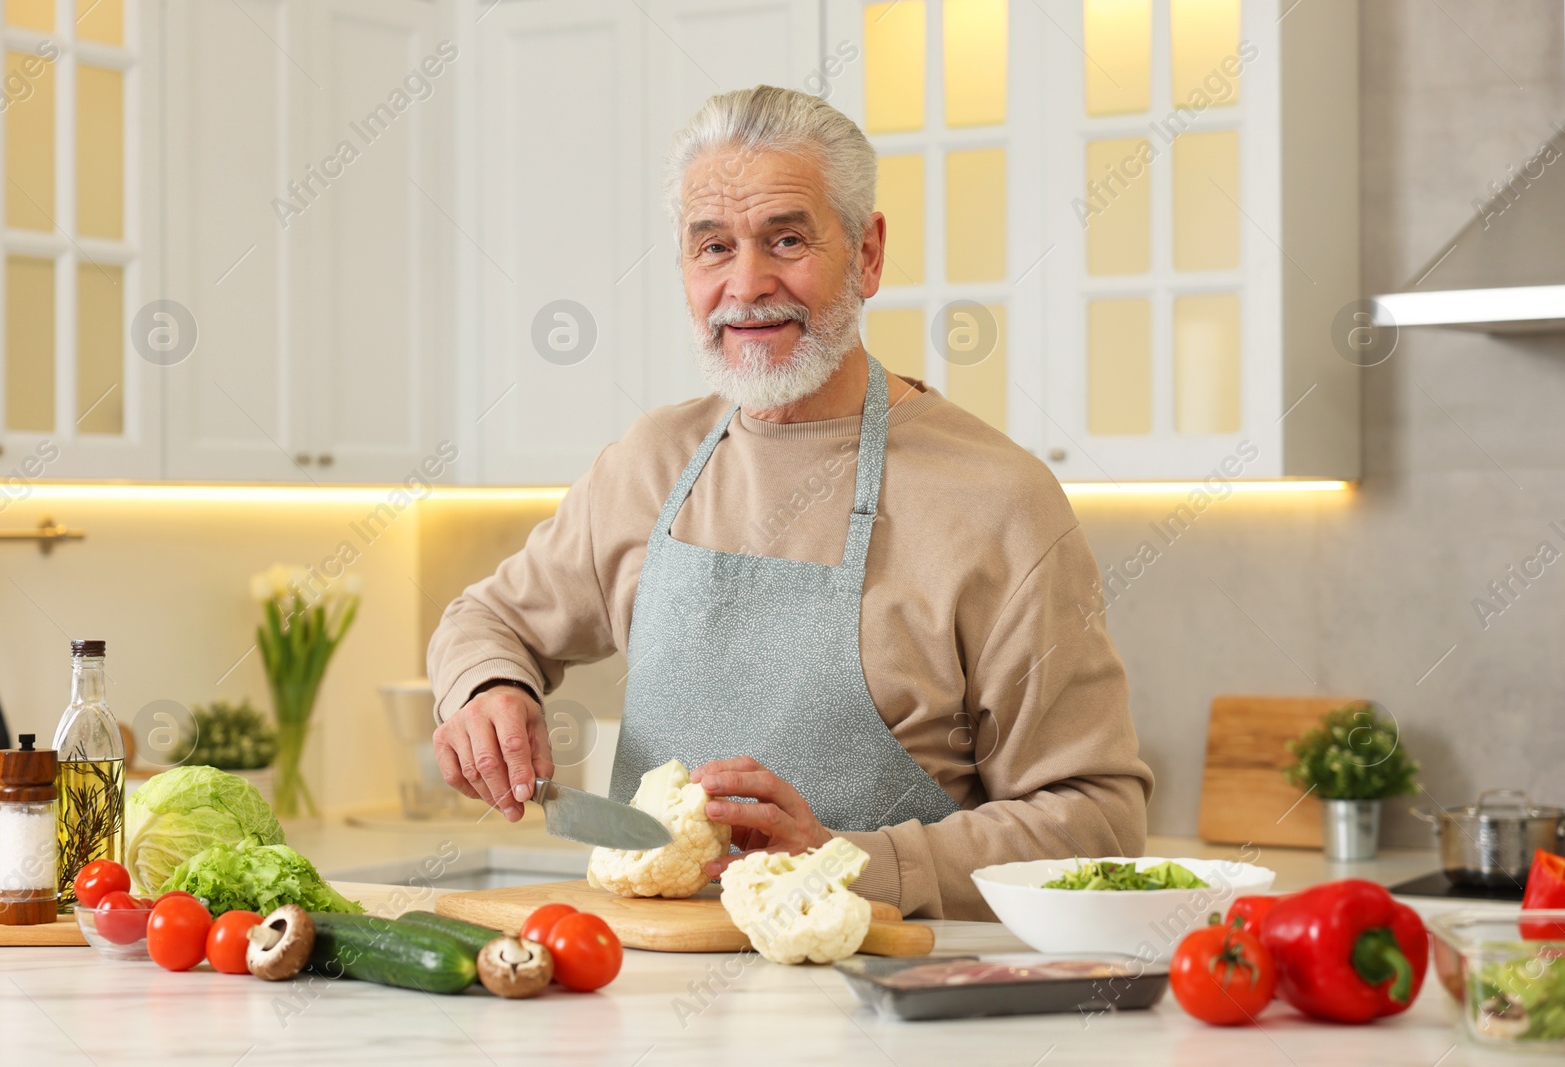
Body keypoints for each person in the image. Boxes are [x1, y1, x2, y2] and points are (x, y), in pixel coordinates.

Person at [428, 85, 1153, 919]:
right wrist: (487, 690)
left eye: (787, 239)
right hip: (646, 1001)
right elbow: (486, 621)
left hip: (887, 1012)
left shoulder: (998, 503)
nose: (747, 285)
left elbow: (1098, 822)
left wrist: (850, 862)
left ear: (869, 254)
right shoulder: (649, 465)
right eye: (712, 246)